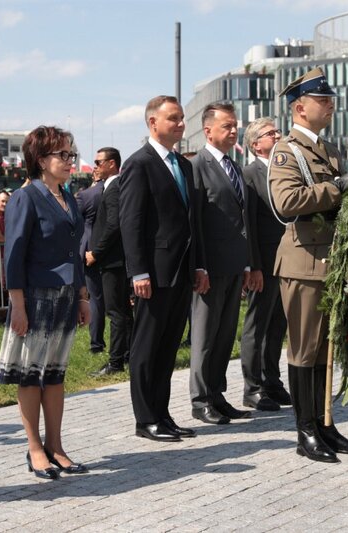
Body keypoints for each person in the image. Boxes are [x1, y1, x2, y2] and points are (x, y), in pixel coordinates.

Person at [268, 67, 348, 463]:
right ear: (299, 108)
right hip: (304, 262)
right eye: (322, 101)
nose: (330, 107)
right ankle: (304, 432)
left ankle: (325, 424)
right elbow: (286, 203)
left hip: (332, 261)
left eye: (330, 101)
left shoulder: (330, 150)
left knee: (327, 349)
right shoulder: (286, 151)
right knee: (305, 350)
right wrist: (337, 187)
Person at [0, 126, 90, 480]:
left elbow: (75, 254)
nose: (68, 161)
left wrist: (82, 296)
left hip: (65, 298)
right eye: (61, 155)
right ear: (40, 160)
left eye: (70, 154)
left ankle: (57, 446)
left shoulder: (68, 196)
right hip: (33, 298)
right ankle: (35, 448)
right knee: (30, 376)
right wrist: (17, 305)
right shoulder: (26, 197)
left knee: (54, 375)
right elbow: (14, 255)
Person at [119, 95, 209, 442]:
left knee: (169, 346)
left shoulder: (183, 166)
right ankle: (146, 419)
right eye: (174, 118)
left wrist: (199, 265)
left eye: (183, 118)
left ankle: (163, 413)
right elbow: (131, 222)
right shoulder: (139, 164)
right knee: (147, 348)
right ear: (152, 123)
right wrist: (138, 272)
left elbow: (192, 222)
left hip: (181, 271)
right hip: (153, 273)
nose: (181, 124)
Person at [188, 102, 253, 425]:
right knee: (205, 336)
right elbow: (196, 221)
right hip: (210, 268)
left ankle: (216, 393)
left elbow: (241, 218)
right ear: (208, 129)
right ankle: (200, 400)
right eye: (227, 126)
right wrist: (199, 266)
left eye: (235, 126)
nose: (233, 131)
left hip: (233, 264)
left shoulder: (234, 167)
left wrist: (246, 264)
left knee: (226, 334)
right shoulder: (197, 166)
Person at [239, 117, 290, 412]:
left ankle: (273, 381)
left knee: (277, 324)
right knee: (257, 324)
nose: (278, 135)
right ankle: (253, 387)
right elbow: (250, 226)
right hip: (264, 261)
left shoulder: (284, 171)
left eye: (277, 131)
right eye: (272, 133)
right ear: (256, 143)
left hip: (287, 260)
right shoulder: (249, 174)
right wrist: (253, 265)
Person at [86, 147, 132, 376]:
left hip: (113, 261)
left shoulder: (114, 187)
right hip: (115, 260)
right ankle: (127, 354)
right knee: (122, 311)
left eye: (98, 161)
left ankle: (115, 362)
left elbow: (114, 224)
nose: (95, 166)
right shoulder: (112, 186)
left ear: (112, 164)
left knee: (116, 312)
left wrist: (96, 252)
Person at [76, 160, 106, 353]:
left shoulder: (86, 195)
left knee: (95, 298)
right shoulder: (121, 189)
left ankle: (96, 343)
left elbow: (73, 221)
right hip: (111, 251)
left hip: (89, 251)